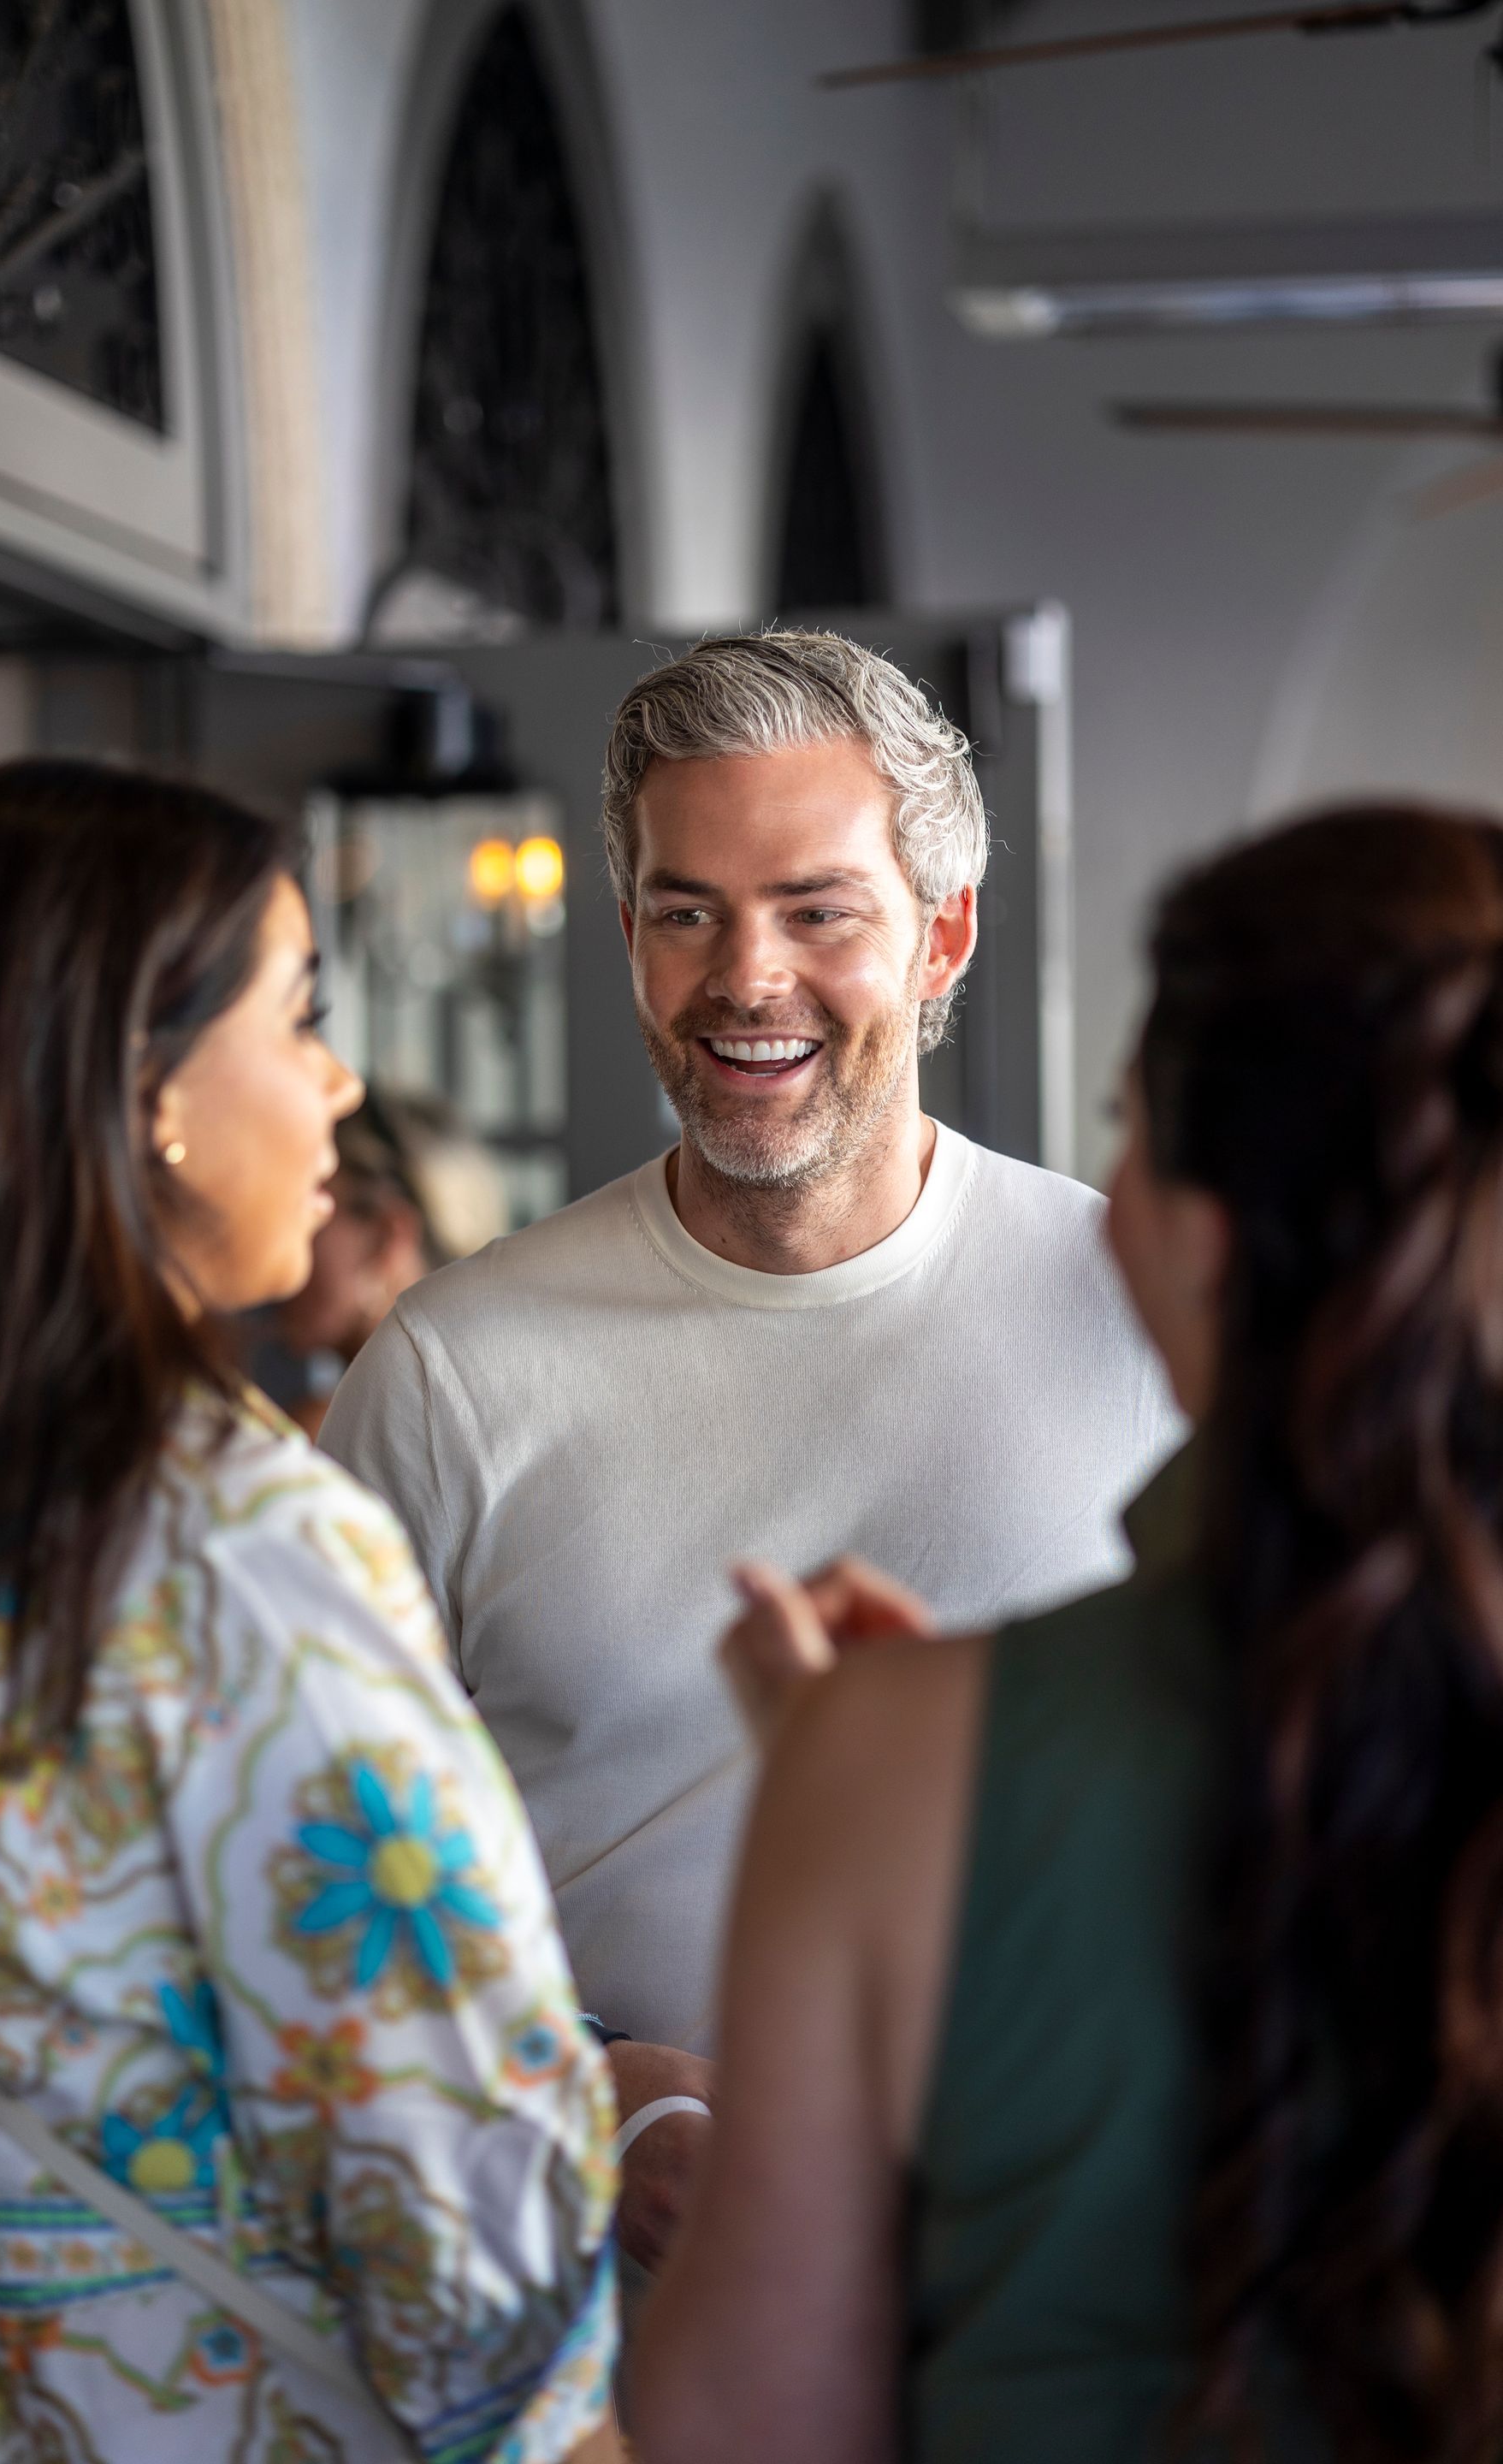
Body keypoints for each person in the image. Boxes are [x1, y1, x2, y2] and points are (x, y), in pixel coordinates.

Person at [636, 798, 1503, 2464]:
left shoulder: (893, 1767)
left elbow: (747, 2427)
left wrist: (876, 1795)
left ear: (1196, 1230)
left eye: (1129, 1130)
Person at [322, 629, 1177, 2270]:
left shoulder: (1139, 1313)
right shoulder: (449, 1370)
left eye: (816, 911)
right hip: (599, 2333)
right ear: (628, 934)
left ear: (946, 936)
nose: (746, 979)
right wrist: (589, 2101)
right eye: (685, 910)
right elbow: (311, 1876)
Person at [0, 761, 618, 2463]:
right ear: (147, 1098)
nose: (340, 1088)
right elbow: (448, 2171)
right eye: (300, 1017)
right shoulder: (228, 1549)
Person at [252, 1088, 509, 1438]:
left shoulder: (329, 1435)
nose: (274, 1238)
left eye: (308, 1210)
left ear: (386, 1239)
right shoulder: (486, 1412)